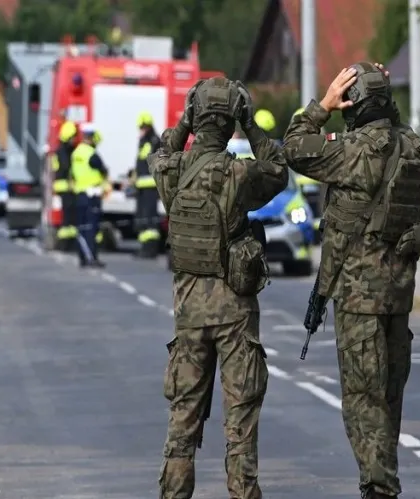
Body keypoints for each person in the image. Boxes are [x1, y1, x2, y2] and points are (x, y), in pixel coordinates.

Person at [282, 63, 420, 499]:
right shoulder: (412, 147)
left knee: (363, 401)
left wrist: (323, 105)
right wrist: (381, 94)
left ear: (353, 105)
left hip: (358, 299)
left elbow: (292, 147)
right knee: (387, 400)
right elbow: (394, 129)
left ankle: (380, 488)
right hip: (398, 296)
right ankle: (378, 482)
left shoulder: (350, 151)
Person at [149, 77, 288, 499]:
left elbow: (161, 152)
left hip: (189, 312)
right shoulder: (239, 173)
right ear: (231, 124)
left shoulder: (171, 171)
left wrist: (184, 121)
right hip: (235, 313)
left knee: (183, 418)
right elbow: (278, 170)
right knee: (240, 421)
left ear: (195, 121)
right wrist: (251, 124)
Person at [70, 123, 108, 268]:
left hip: (80, 194)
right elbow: (103, 169)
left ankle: (83, 257)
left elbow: (73, 174)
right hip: (92, 195)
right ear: (91, 137)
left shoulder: (76, 153)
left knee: (81, 227)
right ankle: (92, 257)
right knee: (92, 228)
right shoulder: (91, 154)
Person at [133, 111, 162, 257]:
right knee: (142, 218)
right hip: (141, 187)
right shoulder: (143, 141)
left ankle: (151, 248)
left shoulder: (155, 141)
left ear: (148, 126)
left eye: (143, 127)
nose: (141, 129)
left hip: (150, 186)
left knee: (150, 219)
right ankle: (144, 247)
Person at [52, 121, 79, 248]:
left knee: (70, 217)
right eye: (73, 137)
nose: (74, 140)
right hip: (65, 187)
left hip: (64, 186)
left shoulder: (61, 150)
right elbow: (66, 167)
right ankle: (65, 243)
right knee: (68, 217)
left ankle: (68, 241)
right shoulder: (64, 152)